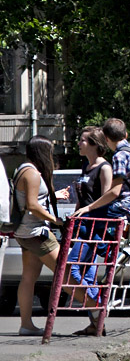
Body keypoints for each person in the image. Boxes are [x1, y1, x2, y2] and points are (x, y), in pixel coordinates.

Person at [65, 126, 115, 335]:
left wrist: (88, 209)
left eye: (83, 140)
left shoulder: (104, 168)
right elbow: (83, 197)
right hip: (81, 225)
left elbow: (108, 197)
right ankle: (96, 323)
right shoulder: (86, 166)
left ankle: (99, 310)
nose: (79, 143)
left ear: (94, 144)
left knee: (73, 270)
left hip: (96, 227)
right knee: (89, 274)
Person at [12, 137, 63, 337]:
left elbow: (30, 200)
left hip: (24, 233)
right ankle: (97, 309)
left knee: (28, 278)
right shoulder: (32, 174)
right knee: (65, 273)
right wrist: (55, 220)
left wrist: (54, 196)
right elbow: (32, 206)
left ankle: (26, 325)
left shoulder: (21, 170)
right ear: (43, 152)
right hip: (36, 233)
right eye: (50, 151)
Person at [74, 117, 130, 226]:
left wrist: (89, 207)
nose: (79, 144)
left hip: (125, 207)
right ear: (126, 135)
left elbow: (114, 192)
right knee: (82, 219)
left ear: (106, 138)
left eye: (82, 140)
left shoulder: (119, 156)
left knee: (83, 219)